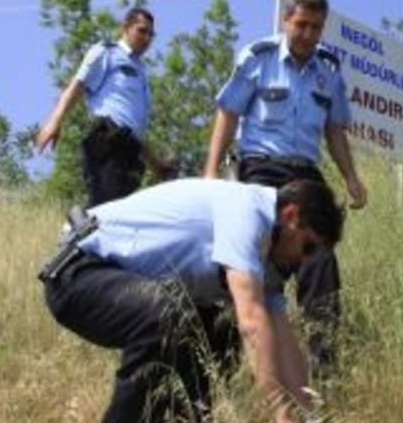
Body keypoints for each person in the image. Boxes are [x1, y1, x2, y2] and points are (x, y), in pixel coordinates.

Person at [41, 178, 345, 423]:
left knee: (218, 333)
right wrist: (283, 415)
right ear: (290, 216)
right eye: (307, 248)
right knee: (170, 315)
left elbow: (282, 338)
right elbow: (252, 325)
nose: (303, 262)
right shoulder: (246, 210)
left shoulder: (270, 261)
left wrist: (312, 416)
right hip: (77, 273)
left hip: (127, 287)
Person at [202, 0, 367, 375]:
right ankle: (223, 368)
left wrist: (350, 178)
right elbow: (228, 113)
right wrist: (210, 175)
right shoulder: (258, 58)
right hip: (261, 169)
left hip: (307, 175)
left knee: (320, 260)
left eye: (316, 27)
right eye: (302, 25)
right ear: (286, 20)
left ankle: (322, 374)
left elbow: (335, 130)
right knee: (246, 264)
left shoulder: (328, 70)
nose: (308, 35)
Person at [35, 7, 173, 206]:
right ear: (125, 28)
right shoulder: (107, 53)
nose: (147, 38)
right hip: (108, 143)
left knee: (122, 215)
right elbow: (77, 85)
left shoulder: (141, 71)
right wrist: (54, 123)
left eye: (151, 34)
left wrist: (157, 165)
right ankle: (75, 232)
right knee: (107, 212)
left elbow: (134, 129)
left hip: (130, 151)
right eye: (141, 31)